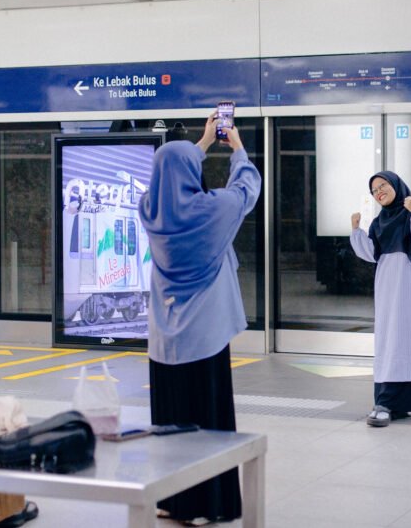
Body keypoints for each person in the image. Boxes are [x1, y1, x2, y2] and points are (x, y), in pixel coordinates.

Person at [138, 113, 261, 525]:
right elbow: (246, 190)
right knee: (208, 423)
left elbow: (172, 167)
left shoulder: (150, 211)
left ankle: (171, 499)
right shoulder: (212, 211)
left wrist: (203, 142)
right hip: (204, 337)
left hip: (163, 339)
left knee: (169, 425)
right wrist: (235, 146)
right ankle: (208, 506)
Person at [350, 171, 411, 427]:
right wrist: (356, 231)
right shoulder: (378, 221)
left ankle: (386, 404)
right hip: (387, 288)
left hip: (410, 288)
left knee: (405, 341)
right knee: (389, 342)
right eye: (375, 190)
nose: (379, 192)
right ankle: (391, 404)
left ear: (396, 185)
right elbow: (371, 253)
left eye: (383, 185)